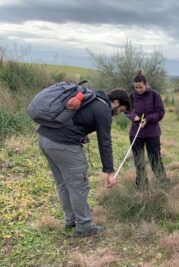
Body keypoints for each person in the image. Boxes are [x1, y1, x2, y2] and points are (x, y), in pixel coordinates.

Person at [38, 88, 132, 237]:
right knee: (78, 186)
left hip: (45, 139)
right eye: (120, 110)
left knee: (62, 183)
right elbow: (105, 142)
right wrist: (109, 171)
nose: (117, 114)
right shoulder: (103, 109)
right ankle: (84, 226)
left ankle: (71, 220)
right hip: (63, 144)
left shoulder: (92, 99)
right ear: (116, 102)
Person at [127, 70, 167, 187]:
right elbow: (127, 110)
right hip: (136, 133)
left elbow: (160, 112)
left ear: (146, 84)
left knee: (155, 159)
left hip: (152, 133)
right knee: (139, 161)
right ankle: (142, 187)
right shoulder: (131, 96)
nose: (138, 90)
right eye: (136, 87)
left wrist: (148, 119)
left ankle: (163, 183)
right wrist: (133, 116)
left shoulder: (155, 95)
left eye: (141, 87)